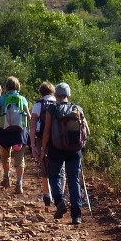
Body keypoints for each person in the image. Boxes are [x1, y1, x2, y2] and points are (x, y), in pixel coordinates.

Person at [41, 82, 90, 225]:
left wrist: (43, 148)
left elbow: (47, 131)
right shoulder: (78, 109)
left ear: (56, 95)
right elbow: (87, 131)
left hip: (56, 149)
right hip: (75, 150)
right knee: (73, 180)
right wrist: (81, 145)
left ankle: (59, 202)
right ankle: (77, 215)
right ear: (68, 95)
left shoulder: (52, 108)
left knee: (54, 175)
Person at [0, 77, 30, 193]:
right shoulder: (22, 99)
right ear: (17, 86)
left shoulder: (2, 99)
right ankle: (19, 183)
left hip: (5, 132)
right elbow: (28, 115)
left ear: (7, 86)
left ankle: (6, 178)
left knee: (5, 155)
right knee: (19, 157)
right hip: (20, 132)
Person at [30, 81, 57, 205]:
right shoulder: (59, 103)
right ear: (53, 92)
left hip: (42, 138)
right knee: (60, 168)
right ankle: (59, 196)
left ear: (41, 93)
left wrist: (33, 145)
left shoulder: (38, 105)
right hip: (58, 139)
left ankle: (47, 194)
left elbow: (33, 127)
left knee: (44, 166)